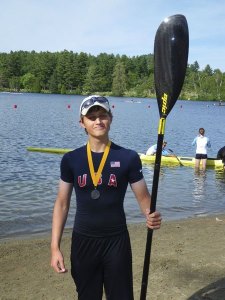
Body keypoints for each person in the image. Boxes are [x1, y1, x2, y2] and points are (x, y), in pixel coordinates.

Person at [50, 95, 162, 300]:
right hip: (83, 242)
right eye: (91, 117)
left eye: (102, 115)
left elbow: (144, 197)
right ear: (82, 122)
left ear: (111, 118)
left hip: (116, 242)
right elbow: (62, 204)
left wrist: (150, 214)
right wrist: (55, 247)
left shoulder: (128, 157)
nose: (98, 121)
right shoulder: (71, 160)